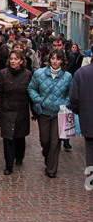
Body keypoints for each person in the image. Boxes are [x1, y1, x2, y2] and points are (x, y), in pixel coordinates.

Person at [28, 49, 73, 178]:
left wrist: (64, 103)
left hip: (59, 114)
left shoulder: (67, 76)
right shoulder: (39, 74)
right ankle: (48, 156)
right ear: (49, 59)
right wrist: (38, 99)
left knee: (55, 141)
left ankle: (51, 169)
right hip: (44, 113)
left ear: (62, 61)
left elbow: (71, 93)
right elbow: (31, 88)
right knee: (45, 141)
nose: (55, 61)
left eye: (58, 59)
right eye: (53, 58)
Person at [0, 50, 32, 175]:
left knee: (20, 136)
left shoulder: (28, 74)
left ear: (21, 61)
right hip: (7, 110)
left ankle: (19, 157)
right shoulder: (3, 74)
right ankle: (9, 165)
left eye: (16, 59)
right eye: (11, 58)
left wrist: (35, 110)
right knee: (8, 138)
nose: (13, 61)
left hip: (22, 110)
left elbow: (31, 93)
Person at [69, 46, 93, 182]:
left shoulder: (81, 73)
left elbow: (74, 97)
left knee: (90, 149)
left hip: (88, 119)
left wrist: (78, 111)